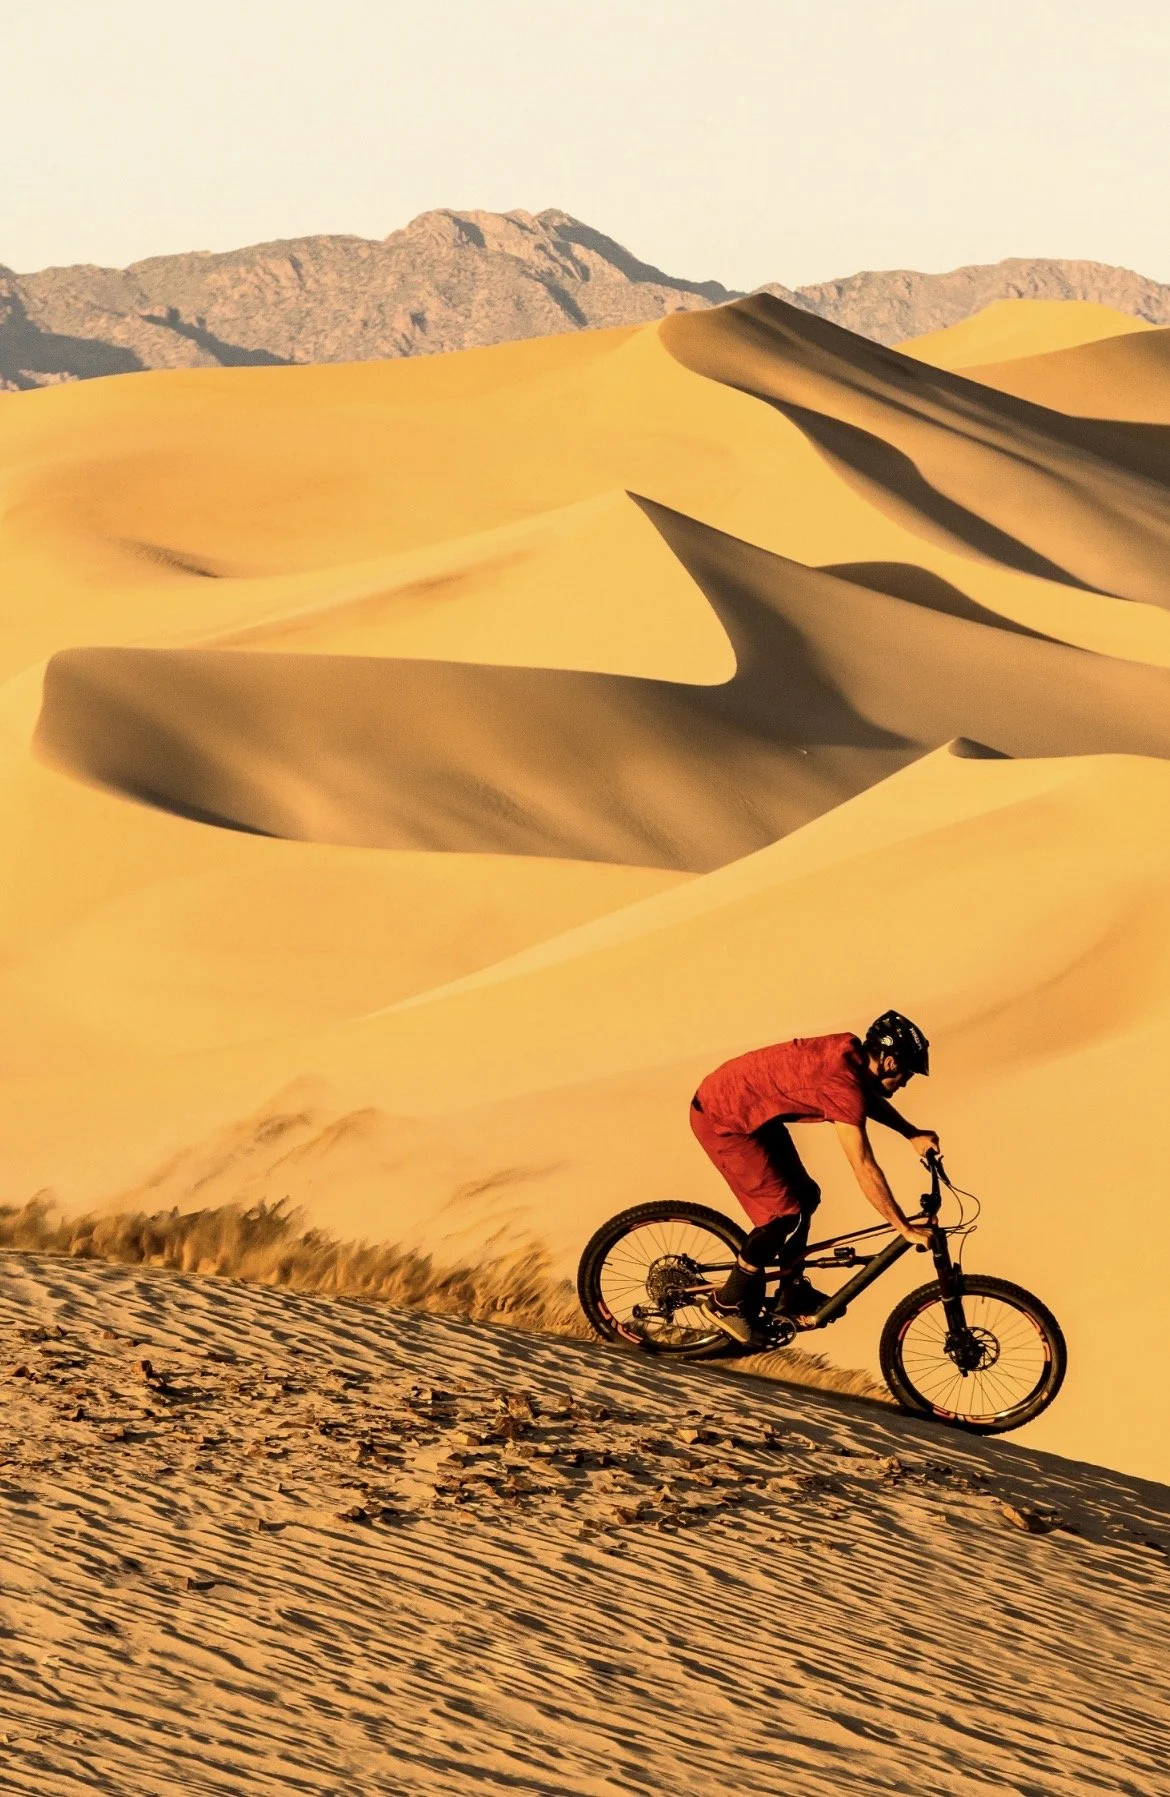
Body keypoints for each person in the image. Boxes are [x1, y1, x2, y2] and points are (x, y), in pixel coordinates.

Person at [689, 1011, 939, 1345]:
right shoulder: (843, 1083)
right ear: (891, 1062)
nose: (906, 1082)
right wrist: (903, 1227)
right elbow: (863, 1165)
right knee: (782, 1215)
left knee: (806, 1195)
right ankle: (726, 1302)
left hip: (750, 1112)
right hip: (724, 1119)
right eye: (907, 1072)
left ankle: (791, 1288)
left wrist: (910, 1133)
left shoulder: (849, 1057)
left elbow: (861, 1099)